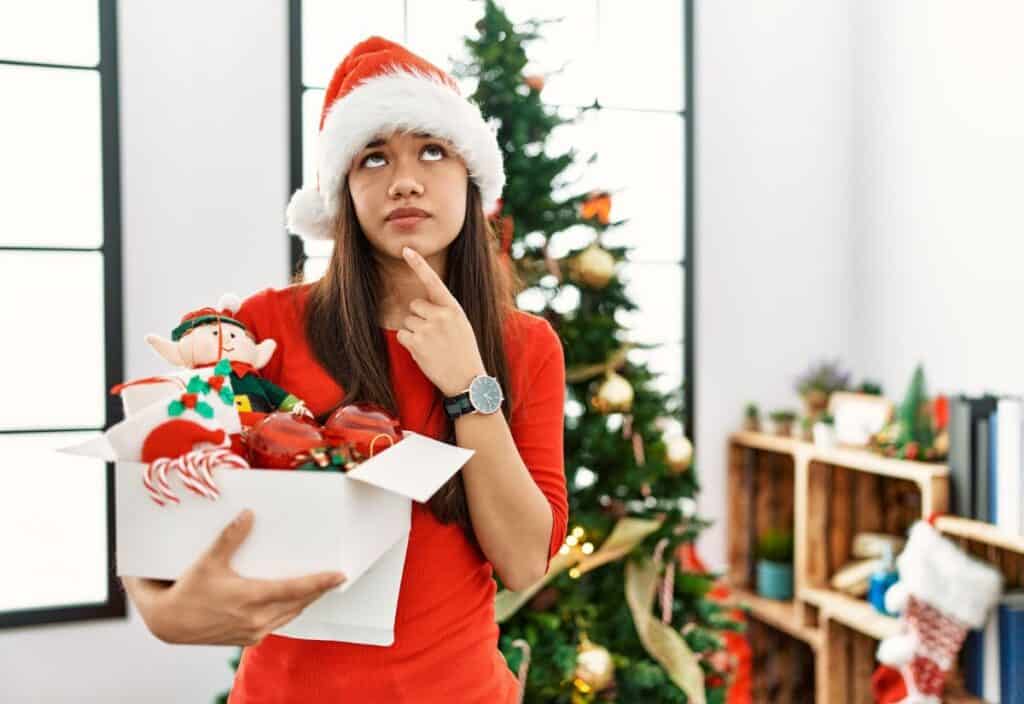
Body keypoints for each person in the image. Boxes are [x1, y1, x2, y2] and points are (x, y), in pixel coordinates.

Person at [121, 36, 568, 703]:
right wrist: (158, 604)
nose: (405, 179)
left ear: (471, 176)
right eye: (374, 157)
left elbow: (523, 560)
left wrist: (470, 388)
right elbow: (165, 480)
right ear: (343, 191)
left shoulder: (525, 345)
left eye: (432, 149)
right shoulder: (265, 326)